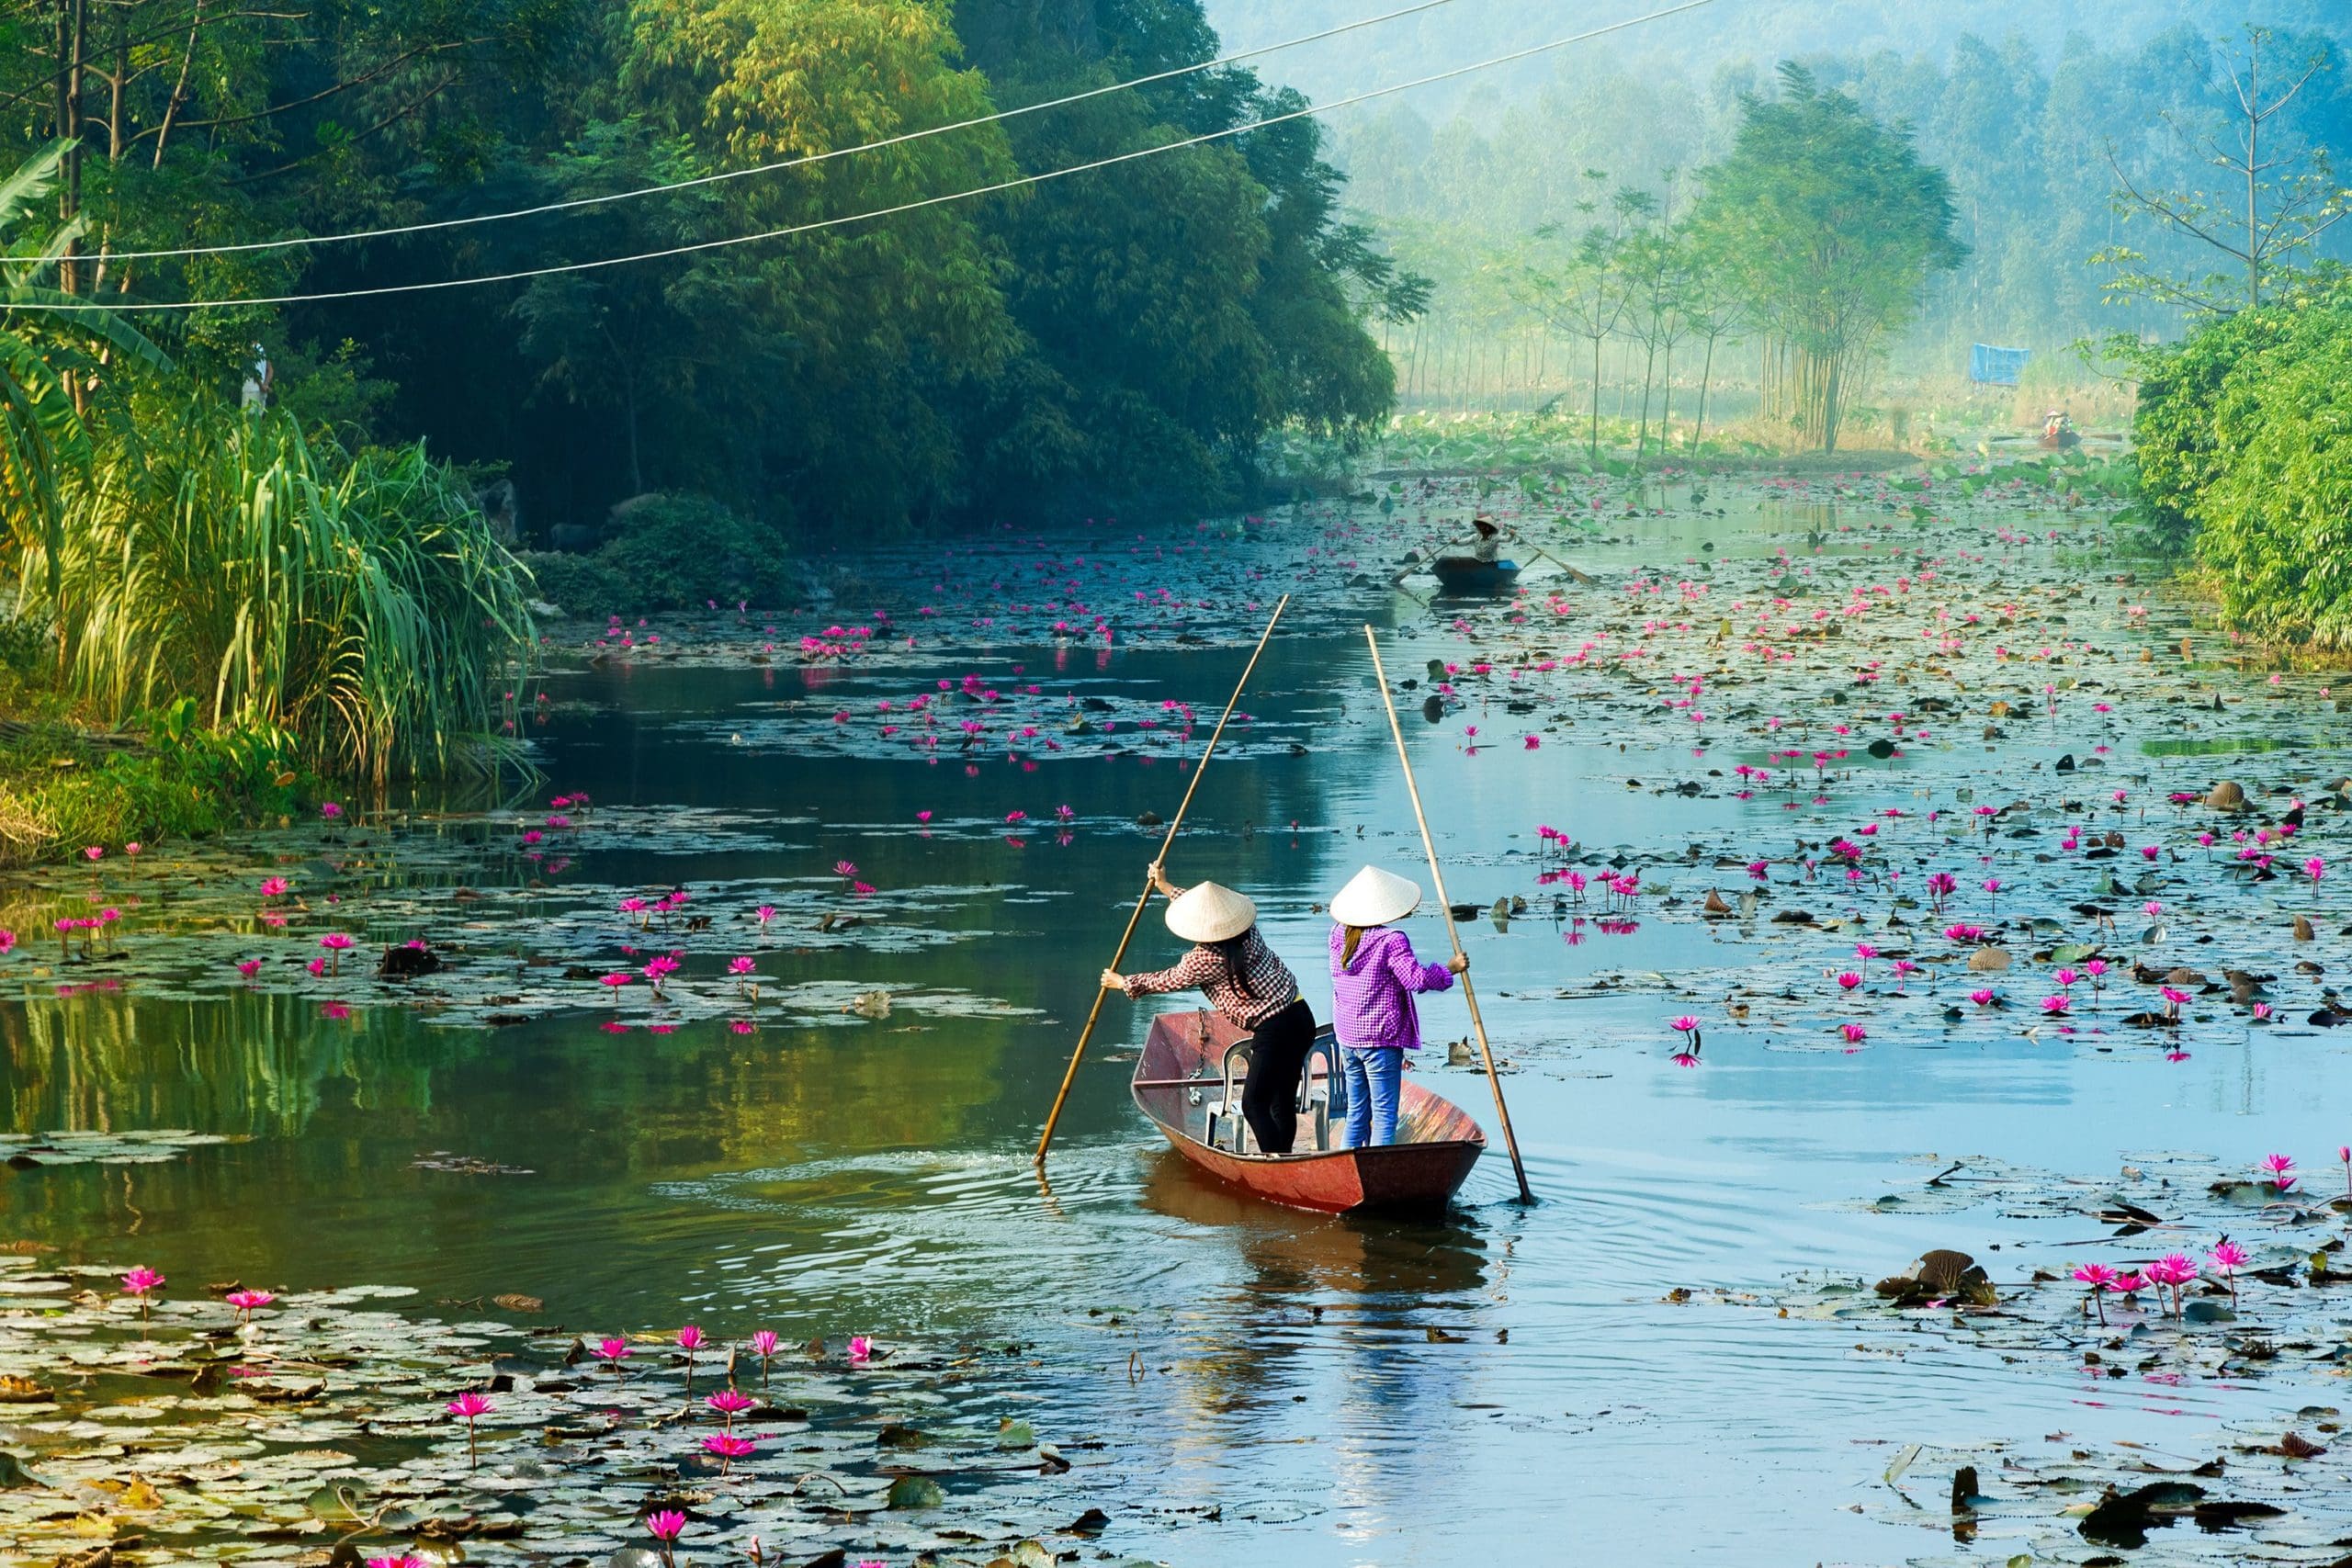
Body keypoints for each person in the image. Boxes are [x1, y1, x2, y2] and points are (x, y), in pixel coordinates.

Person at [1102, 865, 1317, 1156]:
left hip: (1275, 1029)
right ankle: (1284, 1158)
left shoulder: (1204, 958)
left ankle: (1276, 1163)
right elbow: (1200, 910)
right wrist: (1165, 887)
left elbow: (1167, 980)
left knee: (1253, 1104)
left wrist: (1123, 982)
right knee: (1280, 1100)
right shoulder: (1249, 932)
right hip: (1301, 1015)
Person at [1326, 865, 1465, 1148]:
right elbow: (1416, 980)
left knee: (1357, 1112)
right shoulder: (1391, 940)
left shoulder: (1338, 934)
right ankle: (1378, 1178)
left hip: (1348, 1038)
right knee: (1385, 1115)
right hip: (1379, 1039)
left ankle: (1350, 1172)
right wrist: (1450, 969)